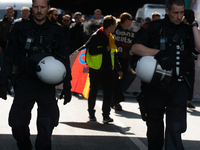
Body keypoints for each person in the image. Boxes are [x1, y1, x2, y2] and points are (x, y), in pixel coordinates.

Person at [0, 0, 72, 149]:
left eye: (42, 7)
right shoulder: (20, 28)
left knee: (47, 125)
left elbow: (64, 59)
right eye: (36, 7)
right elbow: (8, 56)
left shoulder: (57, 31)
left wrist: (67, 84)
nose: (39, 10)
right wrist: (2, 80)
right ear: (32, 7)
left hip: (46, 85)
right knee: (18, 123)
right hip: (24, 81)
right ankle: (24, 146)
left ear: (48, 8)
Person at [130, 0, 200, 149]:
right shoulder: (154, 27)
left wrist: (193, 23)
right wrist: (158, 53)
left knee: (175, 128)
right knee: (155, 131)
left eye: (181, 13)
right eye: (175, 12)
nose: (179, 16)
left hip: (178, 86)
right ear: (167, 11)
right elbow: (135, 48)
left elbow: (198, 47)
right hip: (155, 86)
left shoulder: (186, 29)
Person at [85, 15, 122, 124]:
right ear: (110, 26)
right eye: (115, 25)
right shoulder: (96, 36)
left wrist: (118, 69)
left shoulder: (110, 37)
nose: (115, 28)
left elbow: (113, 55)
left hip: (108, 70)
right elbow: (91, 51)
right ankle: (91, 114)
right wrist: (104, 49)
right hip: (96, 69)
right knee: (93, 92)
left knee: (108, 93)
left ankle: (106, 115)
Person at [111, 12, 134, 110]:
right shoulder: (115, 30)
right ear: (126, 20)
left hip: (124, 59)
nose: (132, 22)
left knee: (120, 81)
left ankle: (114, 100)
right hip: (116, 59)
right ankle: (116, 100)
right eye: (130, 20)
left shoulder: (128, 33)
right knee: (117, 80)